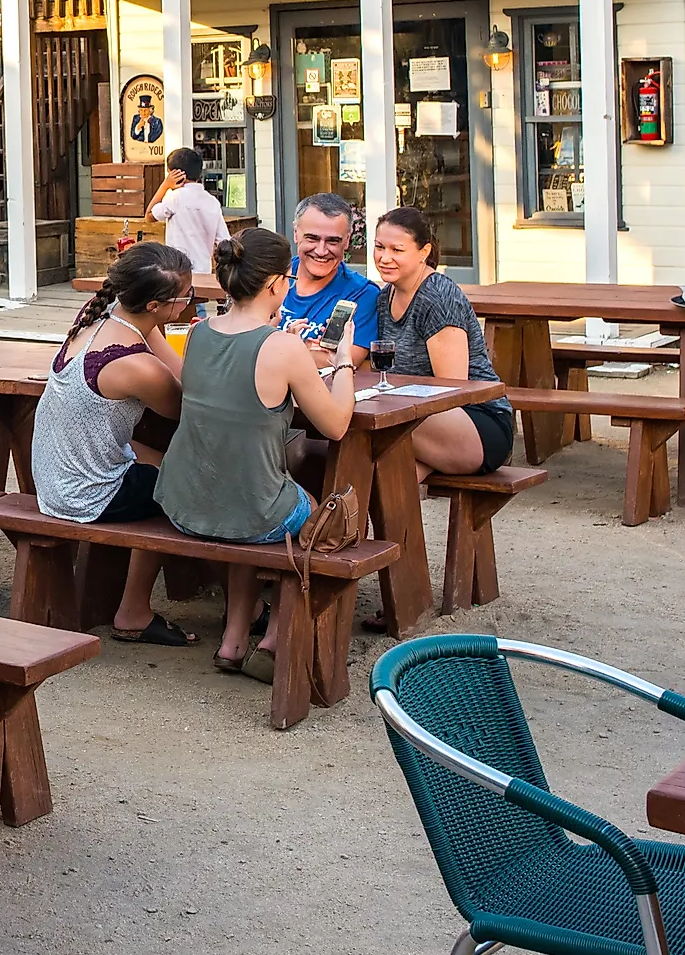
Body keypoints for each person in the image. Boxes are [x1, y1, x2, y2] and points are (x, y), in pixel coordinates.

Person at [154, 228, 360, 675]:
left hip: (185, 504)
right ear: (274, 285)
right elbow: (337, 424)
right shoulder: (282, 347)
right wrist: (343, 359)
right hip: (251, 511)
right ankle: (274, 636)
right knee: (313, 512)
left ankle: (232, 639)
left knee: (250, 493)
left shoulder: (199, 332)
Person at [33, 242, 197, 644]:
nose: (190, 304)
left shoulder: (100, 320)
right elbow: (191, 406)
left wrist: (160, 332)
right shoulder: (134, 365)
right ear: (157, 305)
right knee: (194, 485)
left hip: (55, 480)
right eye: (186, 297)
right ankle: (135, 610)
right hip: (88, 495)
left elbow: (173, 369)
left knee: (172, 465)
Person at [367, 206, 513, 479]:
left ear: (424, 252)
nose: (384, 258)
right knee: (383, 476)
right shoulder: (384, 298)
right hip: (417, 417)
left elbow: (451, 389)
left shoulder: (439, 296)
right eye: (379, 247)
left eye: (397, 250)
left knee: (378, 425)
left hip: (475, 420)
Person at [278, 192, 383, 368]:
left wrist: (280, 348)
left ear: (347, 241)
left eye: (333, 241)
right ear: (296, 234)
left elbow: (343, 362)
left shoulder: (362, 294)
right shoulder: (273, 275)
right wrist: (302, 350)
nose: (321, 250)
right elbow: (242, 341)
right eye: (312, 238)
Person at [147, 147, 228, 261]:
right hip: (203, 269)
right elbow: (223, 240)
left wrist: (165, 185)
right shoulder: (212, 201)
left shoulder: (175, 197)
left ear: (176, 174)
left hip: (178, 269)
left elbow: (149, 215)